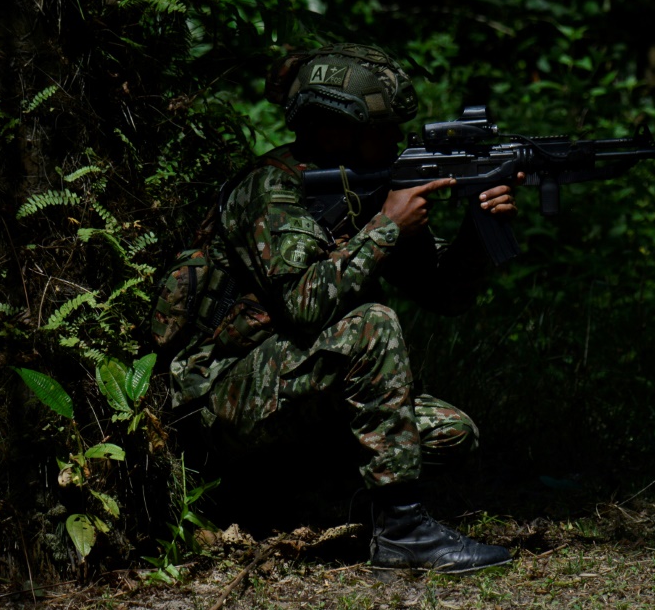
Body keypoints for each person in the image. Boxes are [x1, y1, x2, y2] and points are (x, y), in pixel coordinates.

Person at [168, 43, 517, 573]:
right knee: (372, 325)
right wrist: (387, 229)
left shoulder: (369, 187)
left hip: (300, 389)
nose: (396, 140)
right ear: (337, 128)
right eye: (383, 129)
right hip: (224, 396)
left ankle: (318, 505)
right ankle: (402, 532)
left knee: (449, 431)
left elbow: (444, 294)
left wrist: (478, 226)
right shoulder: (273, 189)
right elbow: (302, 306)